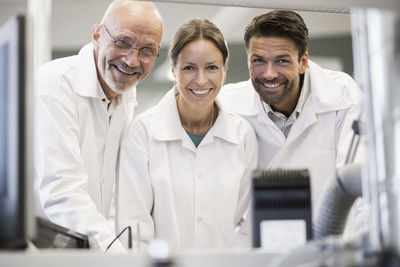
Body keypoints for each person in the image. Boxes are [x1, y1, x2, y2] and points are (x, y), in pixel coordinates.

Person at [116, 18, 258, 250]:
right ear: (173, 70)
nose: (201, 80)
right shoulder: (143, 132)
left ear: (224, 70)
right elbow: (134, 229)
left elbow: (244, 228)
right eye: (189, 68)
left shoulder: (242, 135)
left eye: (211, 67)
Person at [34, 0, 163, 251]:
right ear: (96, 34)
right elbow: (62, 193)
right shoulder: (54, 86)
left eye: (147, 50)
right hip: (40, 250)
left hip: (81, 249)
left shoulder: (125, 95)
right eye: (123, 42)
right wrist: (115, 255)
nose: (132, 60)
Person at [218, 10, 362, 215]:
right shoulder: (227, 104)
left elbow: (356, 186)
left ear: (303, 62)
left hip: (325, 239)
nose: (269, 74)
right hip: (252, 241)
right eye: (258, 61)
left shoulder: (342, 98)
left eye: (282, 61)